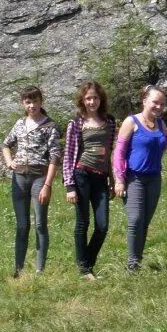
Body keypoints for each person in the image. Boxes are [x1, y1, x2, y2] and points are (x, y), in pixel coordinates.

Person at [2, 86, 61, 275]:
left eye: (35, 101)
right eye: (28, 102)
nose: (32, 105)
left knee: (40, 223)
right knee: (22, 224)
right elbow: (6, 144)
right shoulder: (19, 123)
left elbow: (54, 158)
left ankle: (40, 268)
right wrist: (10, 161)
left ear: (41, 102)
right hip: (19, 178)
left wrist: (47, 185)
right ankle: (18, 268)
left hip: (39, 178)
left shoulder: (50, 126)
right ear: (23, 103)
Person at [113, 85, 167, 271]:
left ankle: (137, 260)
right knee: (135, 219)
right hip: (133, 178)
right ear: (145, 101)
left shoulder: (160, 124)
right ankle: (132, 264)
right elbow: (119, 153)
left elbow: (165, 143)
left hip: (154, 178)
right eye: (155, 102)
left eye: (162, 104)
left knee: (145, 221)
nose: (158, 107)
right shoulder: (131, 122)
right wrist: (119, 179)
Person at [62, 81, 115, 278]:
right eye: (88, 98)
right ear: (82, 101)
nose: (92, 101)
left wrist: (112, 180)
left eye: (95, 98)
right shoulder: (76, 123)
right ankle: (85, 270)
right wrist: (70, 186)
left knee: (102, 225)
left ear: (101, 99)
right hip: (81, 174)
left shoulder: (109, 121)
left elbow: (109, 152)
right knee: (83, 222)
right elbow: (68, 155)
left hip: (100, 178)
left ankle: (87, 264)